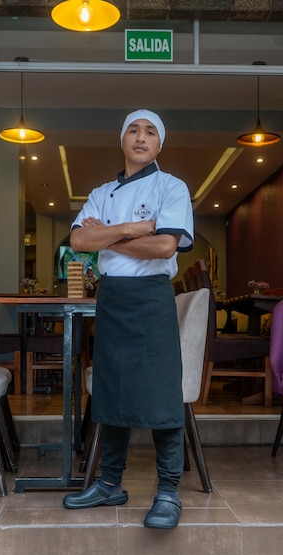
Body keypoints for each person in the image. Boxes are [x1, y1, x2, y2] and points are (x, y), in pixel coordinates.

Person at [62, 110, 194, 529]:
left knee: (161, 394)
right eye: (133, 130)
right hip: (113, 299)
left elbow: (165, 248)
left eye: (150, 131)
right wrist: (136, 228)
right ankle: (110, 484)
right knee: (111, 391)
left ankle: (169, 491)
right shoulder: (101, 192)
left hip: (152, 299)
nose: (141, 137)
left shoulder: (172, 186)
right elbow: (80, 239)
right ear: (122, 140)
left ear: (160, 144)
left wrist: (111, 237)